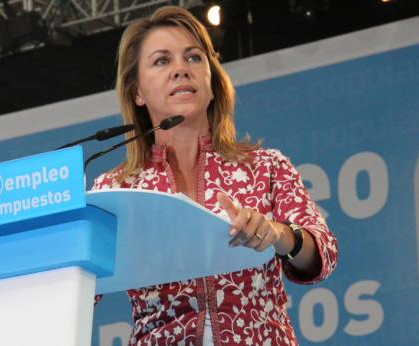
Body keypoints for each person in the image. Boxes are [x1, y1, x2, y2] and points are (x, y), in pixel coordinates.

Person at [91, 5, 337, 345]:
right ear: (137, 92)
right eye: (162, 61)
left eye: (193, 57)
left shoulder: (265, 167)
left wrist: (277, 234)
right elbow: (80, 287)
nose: (181, 69)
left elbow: (322, 252)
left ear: (211, 82)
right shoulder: (115, 189)